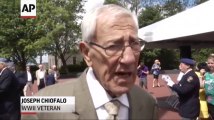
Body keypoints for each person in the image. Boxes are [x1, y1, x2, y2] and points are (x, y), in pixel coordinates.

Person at [23, 4, 158, 119]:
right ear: (87, 53)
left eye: (134, 43)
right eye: (113, 46)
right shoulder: (41, 106)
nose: (129, 58)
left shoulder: (148, 104)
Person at [204, 54, 214, 119]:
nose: (210, 65)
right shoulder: (206, 74)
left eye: (212, 63)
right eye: (209, 63)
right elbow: (202, 85)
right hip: (209, 100)